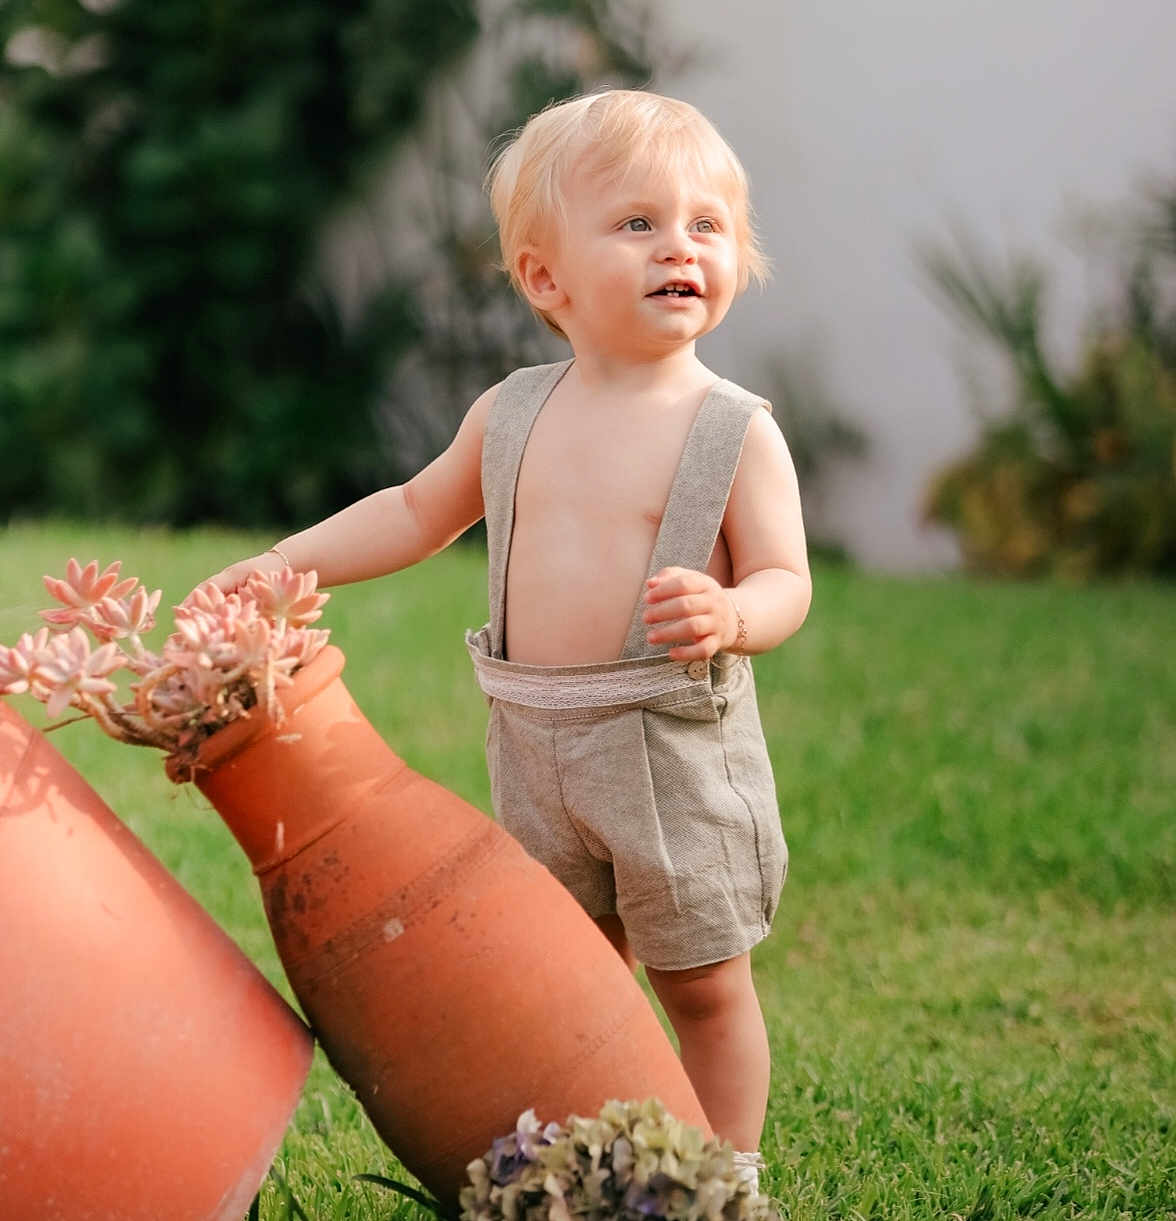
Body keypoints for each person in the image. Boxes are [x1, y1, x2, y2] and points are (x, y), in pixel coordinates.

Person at [205, 89, 811, 1187]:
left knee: (705, 981)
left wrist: (734, 615)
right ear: (545, 279)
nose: (681, 246)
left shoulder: (734, 429)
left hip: (669, 753)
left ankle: (725, 1180)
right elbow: (410, 511)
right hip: (537, 744)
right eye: (638, 223)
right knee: (562, 974)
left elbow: (785, 579)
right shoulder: (514, 413)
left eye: (707, 225)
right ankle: (592, 1167)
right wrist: (287, 562)